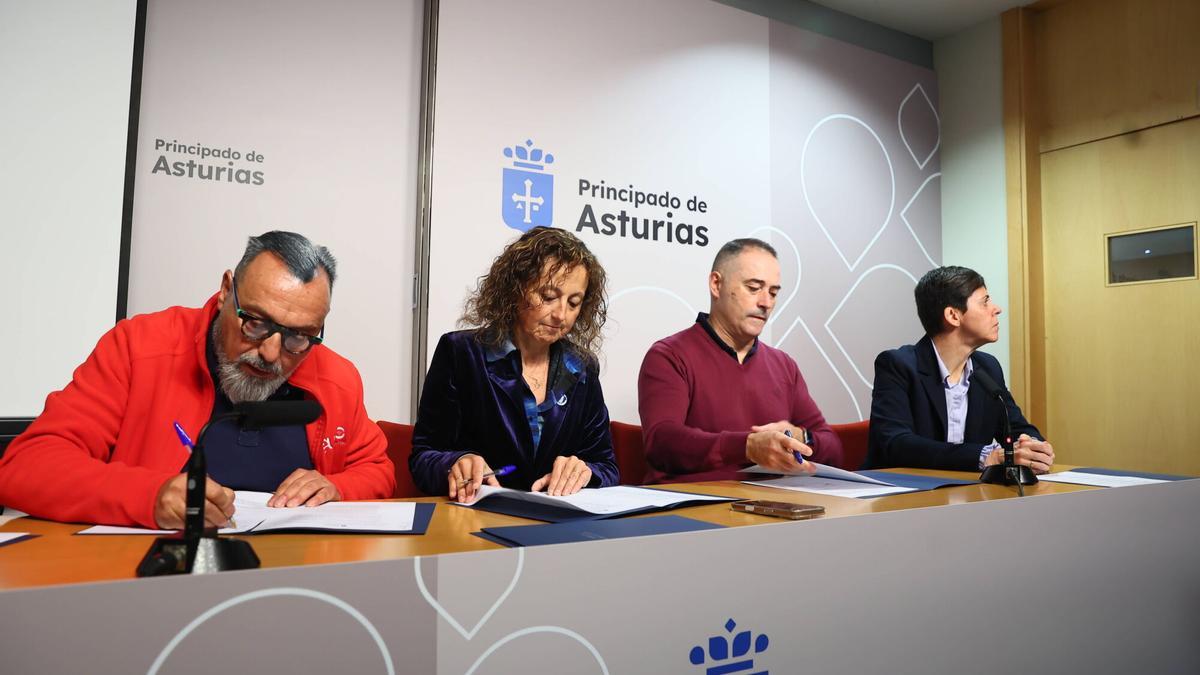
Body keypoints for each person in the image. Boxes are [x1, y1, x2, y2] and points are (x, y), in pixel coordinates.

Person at [0, 231, 394, 529]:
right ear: (226, 292)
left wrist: (339, 487)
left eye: (299, 336)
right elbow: (27, 467)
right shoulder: (140, 347)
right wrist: (149, 497)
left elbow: (377, 469)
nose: (273, 353)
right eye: (255, 322)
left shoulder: (336, 376)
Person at [410, 226, 619, 501]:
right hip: (477, 524)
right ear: (516, 288)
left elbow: (607, 467)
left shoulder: (582, 367)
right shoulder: (461, 353)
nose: (561, 315)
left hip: (556, 527)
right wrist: (457, 462)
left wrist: (585, 472)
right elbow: (423, 457)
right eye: (548, 297)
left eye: (574, 302)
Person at [637, 238, 843, 483]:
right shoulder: (669, 356)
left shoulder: (784, 365)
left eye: (773, 292)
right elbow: (662, 443)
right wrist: (747, 446)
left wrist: (801, 438)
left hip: (776, 509)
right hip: (697, 509)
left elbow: (835, 451)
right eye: (754, 288)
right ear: (716, 284)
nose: (765, 302)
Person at [866, 265, 1054, 472]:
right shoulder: (897, 365)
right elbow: (896, 444)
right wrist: (985, 456)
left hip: (968, 493)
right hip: (903, 494)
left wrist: (1034, 448)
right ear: (953, 315)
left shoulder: (987, 367)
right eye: (985, 302)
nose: (997, 308)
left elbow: (1016, 427)